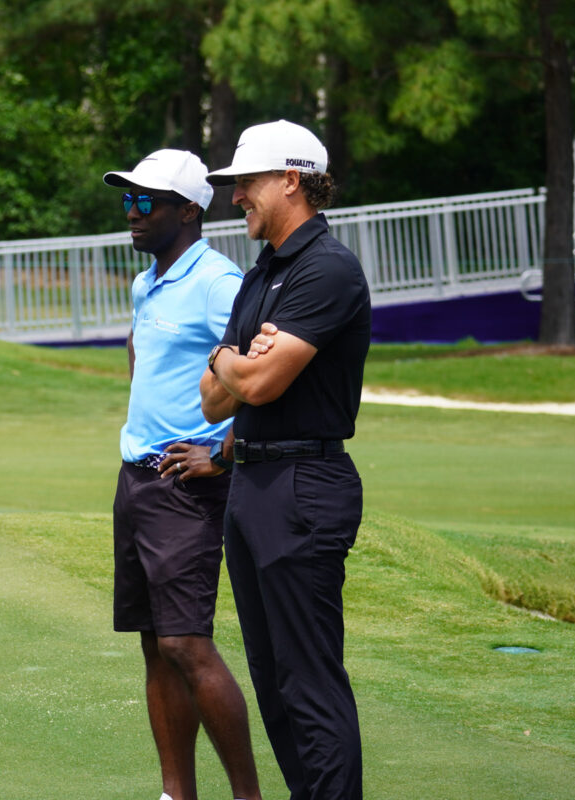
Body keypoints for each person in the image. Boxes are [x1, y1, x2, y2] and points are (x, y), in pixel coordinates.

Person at [199, 120, 371, 800]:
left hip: (304, 484)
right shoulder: (259, 275)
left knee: (308, 678)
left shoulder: (327, 270)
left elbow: (260, 386)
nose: (236, 196)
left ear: (291, 180)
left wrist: (235, 363)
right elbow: (215, 400)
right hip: (253, 481)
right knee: (271, 679)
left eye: (245, 182)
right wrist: (231, 357)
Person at [104, 149, 262, 800]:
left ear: (189, 211)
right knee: (153, 644)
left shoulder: (220, 282)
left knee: (186, 645)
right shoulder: (148, 282)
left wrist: (222, 452)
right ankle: (177, 794)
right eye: (129, 201)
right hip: (136, 478)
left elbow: (265, 375)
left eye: (148, 203)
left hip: (187, 487)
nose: (133, 215)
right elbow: (144, 357)